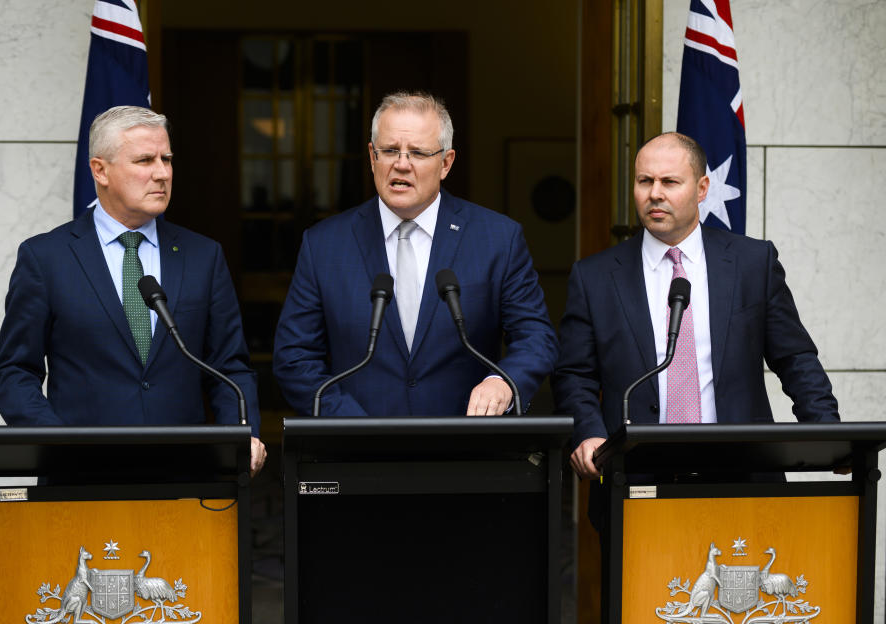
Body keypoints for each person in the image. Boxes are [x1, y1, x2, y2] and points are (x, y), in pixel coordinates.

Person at [0, 106, 266, 475]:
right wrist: (55, 443)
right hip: (80, 476)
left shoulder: (203, 256)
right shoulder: (46, 258)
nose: (162, 173)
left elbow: (230, 368)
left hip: (184, 475)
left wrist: (240, 436)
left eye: (167, 159)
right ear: (100, 170)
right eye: (144, 160)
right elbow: (14, 372)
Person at [553, 132, 839, 484]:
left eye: (669, 182)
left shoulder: (752, 262)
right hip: (634, 479)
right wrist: (587, 433)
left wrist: (828, 432)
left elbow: (794, 357)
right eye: (645, 181)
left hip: (742, 473)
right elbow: (574, 375)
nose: (654, 193)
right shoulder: (594, 276)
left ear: (702, 189)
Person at [273, 91, 557, 417]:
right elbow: (294, 358)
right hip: (354, 455)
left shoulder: (497, 239)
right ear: (372, 157)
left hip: (466, 449)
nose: (402, 164)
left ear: (446, 163)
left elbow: (536, 338)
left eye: (418, 153)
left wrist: (503, 382)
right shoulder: (324, 244)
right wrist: (350, 424)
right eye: (390, 150)